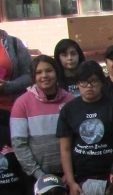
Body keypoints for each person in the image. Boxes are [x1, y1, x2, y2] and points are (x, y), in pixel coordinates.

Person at [55, 61, 113, 195]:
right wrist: (71, 181)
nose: (89, 86)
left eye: (94, 81)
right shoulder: (69, 110)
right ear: (77, 84)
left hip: (109, 177)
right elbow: (65, 148)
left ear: (102, 83)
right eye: (84, 82)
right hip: (80, 179)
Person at [11, 56, 75, 184]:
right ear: (33, 76)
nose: (44, 75)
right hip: (37, 177)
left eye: (49, 70)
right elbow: (19, 144)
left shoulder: (71, 101)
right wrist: (38, 174)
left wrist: (70, 174)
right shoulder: (22, 103)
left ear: (57, 72)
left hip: (70, 175)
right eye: (39, 72)